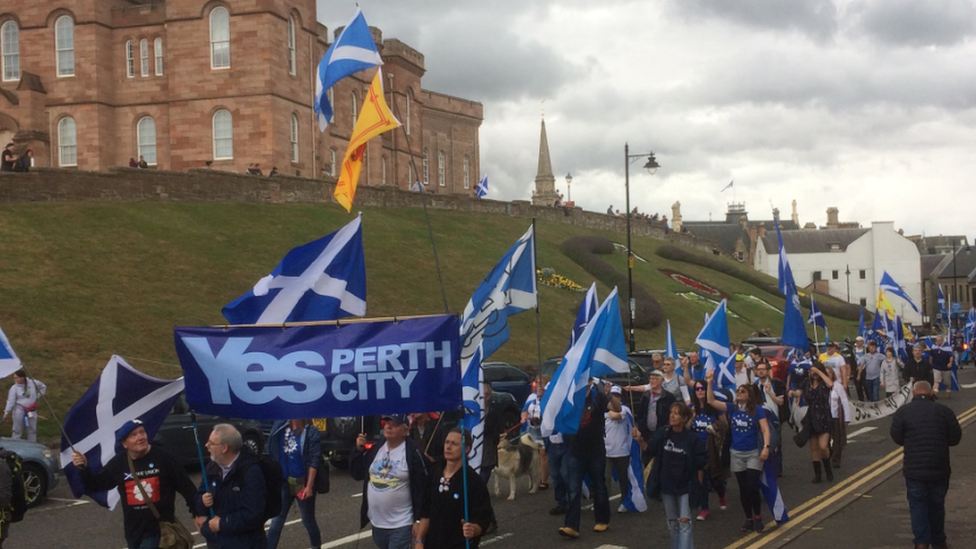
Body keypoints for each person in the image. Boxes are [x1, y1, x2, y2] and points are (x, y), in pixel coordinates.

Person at [72, 419, 200, 549]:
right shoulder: (119, 463)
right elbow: (96, 485)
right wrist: (83, 468)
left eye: (142, 432)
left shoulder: (163, 457)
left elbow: (187, 487)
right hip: (134, 532)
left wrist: (197, 513)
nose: (140, 438)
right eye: (134, 435)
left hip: (159, 531)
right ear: (124, 443)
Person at [890, 381, 962, 549]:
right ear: (931, 393)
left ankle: (921, 542)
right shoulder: (945, 412)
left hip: (914, 468)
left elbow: (896, 437)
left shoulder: (903, 412)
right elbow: (955, 439)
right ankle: (938, 541)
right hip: (939, 467)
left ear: (913, 393)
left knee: (917, 505)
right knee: (937, 505)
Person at [705, 370, 770, 533]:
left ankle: (758, 517)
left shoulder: (756, 410)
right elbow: (711, 400)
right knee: (743, 488)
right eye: (738, 391)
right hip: (736, 453)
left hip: (753, 453)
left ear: (749, 396)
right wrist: (709, 382)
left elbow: (765, 429)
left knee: (752, 485)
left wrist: (766, 447)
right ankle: (748, 519)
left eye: (742, 392)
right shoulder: (731, 408)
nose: (739, 393)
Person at [351, 414, 428, 549]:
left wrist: (418, 520)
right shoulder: (377, 447)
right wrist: (357, 450)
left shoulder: (413, 452)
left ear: (405, 431)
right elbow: (357, 473)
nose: (388, 426)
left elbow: (424, 488)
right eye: (386, 422)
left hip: (401, 524)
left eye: (395, 424)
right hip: (377, 524)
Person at [417, 428, 494, 549]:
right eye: (447, 442)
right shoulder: (434, 474)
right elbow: (426, 511)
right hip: (433, 543)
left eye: (454, 444)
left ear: (467, 449)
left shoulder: (473, 481)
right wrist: (419, 540)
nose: (448, 447)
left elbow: (483, 518)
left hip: (459, 544)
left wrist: (473, 529)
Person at [194, 424, 268, 549]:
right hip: (218, 542)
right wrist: (202, 501)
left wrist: (222, 524)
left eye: (211, 443)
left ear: (224, 448)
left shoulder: (251, 471)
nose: (206, 445)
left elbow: (253, 513)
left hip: (245, 544)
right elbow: (199, 499)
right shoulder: (212, 468)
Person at [644, 403, 707, 549]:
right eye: (671, 412)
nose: (672, 416)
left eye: (676, 413)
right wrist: (640, 439)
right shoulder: (663, 433)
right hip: (667, 485)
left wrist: (699, 480)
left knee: (684, 523)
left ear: (684, 418)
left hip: (686, 486)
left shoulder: (692, 438)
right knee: (672, 523)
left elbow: (701, 461)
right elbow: (649, 449)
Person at [559, 380, 613, 539]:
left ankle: (602, 519)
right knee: (574, 490)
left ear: (590, 382)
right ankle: (571, 525)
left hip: (596, 451)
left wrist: (609, 396)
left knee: (599, 486)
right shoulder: (572, 397)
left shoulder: (599, 398)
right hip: (576, 451)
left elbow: (615, 408)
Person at [265, 419, 322, 549]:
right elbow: (271, 451)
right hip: (284, 482)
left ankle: (316, 546)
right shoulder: (280, 426)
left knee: (308, 520)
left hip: (301, 482)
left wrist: (309, 486)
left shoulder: (310, 431)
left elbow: (314, 460)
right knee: (276, 521)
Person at [690, 380, 728, 521]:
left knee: (714, 479)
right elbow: (686, 428)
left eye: (702, 388)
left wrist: (714, 428)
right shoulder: (691, 408)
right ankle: (704, 508)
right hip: (697, 450)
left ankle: (721, 494)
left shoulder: (715, 408)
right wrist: (692, 416)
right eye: (697, 389)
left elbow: (725, 425)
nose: (700, 391)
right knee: (702, 480)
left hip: (712, 448)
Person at [628, 370, 676, 466]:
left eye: (655, 379)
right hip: (647, 433)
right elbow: (640, 414)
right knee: (647, 458)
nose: (652, 381)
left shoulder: (669, 397)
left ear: (661, 381)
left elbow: (671, 414)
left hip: (662, 433)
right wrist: (640, 428)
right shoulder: (645, 396)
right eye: (651, 378)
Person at [796, 362, 834, 481]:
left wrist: (819, 372)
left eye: (817, 371)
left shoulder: (824, 384)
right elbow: (799, 392)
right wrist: (793, 393)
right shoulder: (806, 383)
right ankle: (817, 474)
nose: (815, 374)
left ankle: (828, 469)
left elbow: (830, 383)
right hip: (811, 417)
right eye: (813, 371)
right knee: (813, 447)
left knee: (823, 446)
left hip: (824, 417)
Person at [603, 385, 633, 512]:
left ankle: (625, 501)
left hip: (621, 450)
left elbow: (616, 416)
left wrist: (607, 412)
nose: (614, 398)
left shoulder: (624, 410)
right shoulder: (604, 411)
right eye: (612, 396)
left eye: (616, 396)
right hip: (606, 451)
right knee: (605, 478)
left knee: (623, 479)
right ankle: (603, 502)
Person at [754, 361, 786, 477]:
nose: (761, 371)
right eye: (759, 369)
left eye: (763, 369)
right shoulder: (754, 385)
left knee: (776, 443)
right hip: (760, 416)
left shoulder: (775, 384)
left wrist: (770, 393)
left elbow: (781, 402)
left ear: (768, 371)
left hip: (773, 417)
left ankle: (778, 467)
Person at [521, 379, 549, 490]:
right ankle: (534, 478)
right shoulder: (531, 398)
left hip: (544, 430)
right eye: (537, 383)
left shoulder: (549, 398)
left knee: (543, 454)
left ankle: (544, 480)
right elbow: (525, 410)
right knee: (533, 454)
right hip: (532, 429)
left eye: (541, 383)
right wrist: (523, 417)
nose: (539, 386)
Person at [3, 370, 47, 442]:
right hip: (19, 410)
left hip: (31, 410)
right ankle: (15, 445)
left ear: (22, 377)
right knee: (17, 429)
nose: (15, 379)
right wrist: (6, 412)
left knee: (32, 429)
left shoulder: (32, 382)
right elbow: (10, 401)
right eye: (14, 378)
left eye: (17, 378)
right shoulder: (14, 388)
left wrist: (38, 396)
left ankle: (32, 445)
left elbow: (43, 386)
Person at [827, 368, 851, 470]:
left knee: (837, 439)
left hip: (835, 416)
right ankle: (828, 455)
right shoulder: (822, 387)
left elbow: (844, 401)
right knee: (825, 440)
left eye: (829, 374)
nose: (828, 376)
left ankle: (836, 460)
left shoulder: (838, 386)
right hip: (825, 417)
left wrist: (847, 417)